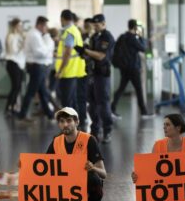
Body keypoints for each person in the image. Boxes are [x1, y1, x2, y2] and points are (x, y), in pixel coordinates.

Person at [46, 107, 107, 201]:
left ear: (77, 122)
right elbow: (44, 168)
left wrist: (93, 168)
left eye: (69, 121)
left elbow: (103, 174)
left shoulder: (89, 140)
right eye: (62, 121)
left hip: (86, 189)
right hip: (66, 189)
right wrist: (25, 165)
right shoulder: (56, 142)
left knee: (92, 177)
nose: (65, 125)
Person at [132, 113, 185, 183]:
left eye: (167, 125)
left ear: (178, 128)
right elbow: (152, 171)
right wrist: (138, 176)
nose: (164, 127)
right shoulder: (158, 146)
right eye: (164, 125)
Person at [76, 14, 115, 143]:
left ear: (104, 24)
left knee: (103, 104)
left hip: (102, 75)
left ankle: (107, 130)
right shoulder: (94, 37)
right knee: (92, 106)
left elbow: (101, 56)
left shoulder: (107, 37)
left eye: (97, 25)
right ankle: (95, 131)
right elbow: (90, 55)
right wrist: (83, 53)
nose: (95, 27)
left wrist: (86, 51)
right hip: (91, 74)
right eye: (94, 25)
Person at [111, 19, 152, 118]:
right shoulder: (133, 38)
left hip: (124, 67)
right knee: (139, 89)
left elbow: (115, 49)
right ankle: (143, 112)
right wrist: (141, 36)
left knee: (121, 89)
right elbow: (143, 48)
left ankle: (112, 108)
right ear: (135, 27)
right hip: (133, 68)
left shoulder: (122, 37)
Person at [17, 16, 54, 121]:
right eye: (45, 25)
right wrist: (49, 51)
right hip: (36, 66)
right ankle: (22, 114)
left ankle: (50, 113)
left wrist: (46, 50)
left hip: (38, 66)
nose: (46, 28)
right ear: (40, 25)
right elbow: (40, 53)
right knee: (31, 91)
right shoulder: (34, 35)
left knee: (42, 92)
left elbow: (43, 51)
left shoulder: (37, 35)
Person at [55, 10, 87, 127]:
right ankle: (75, 124)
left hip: (68, 71)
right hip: (73, 70)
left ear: (62, 18)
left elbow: (68, 53)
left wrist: (59, 70)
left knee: (67, 102)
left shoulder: (68, 32)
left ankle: (68, 126)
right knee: (72, 100)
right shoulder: (75, 30)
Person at [4, 18, 25, 115]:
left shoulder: (19, 36)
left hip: (19, 64)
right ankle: (9, 107)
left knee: (18, 86)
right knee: (15, 86)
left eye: (21, 25)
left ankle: (13, 106)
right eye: (19, 25)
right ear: (15, 26)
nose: (21, 27)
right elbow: (13, 51)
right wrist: (23, 45)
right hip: (12, 62)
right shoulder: (11, 36)